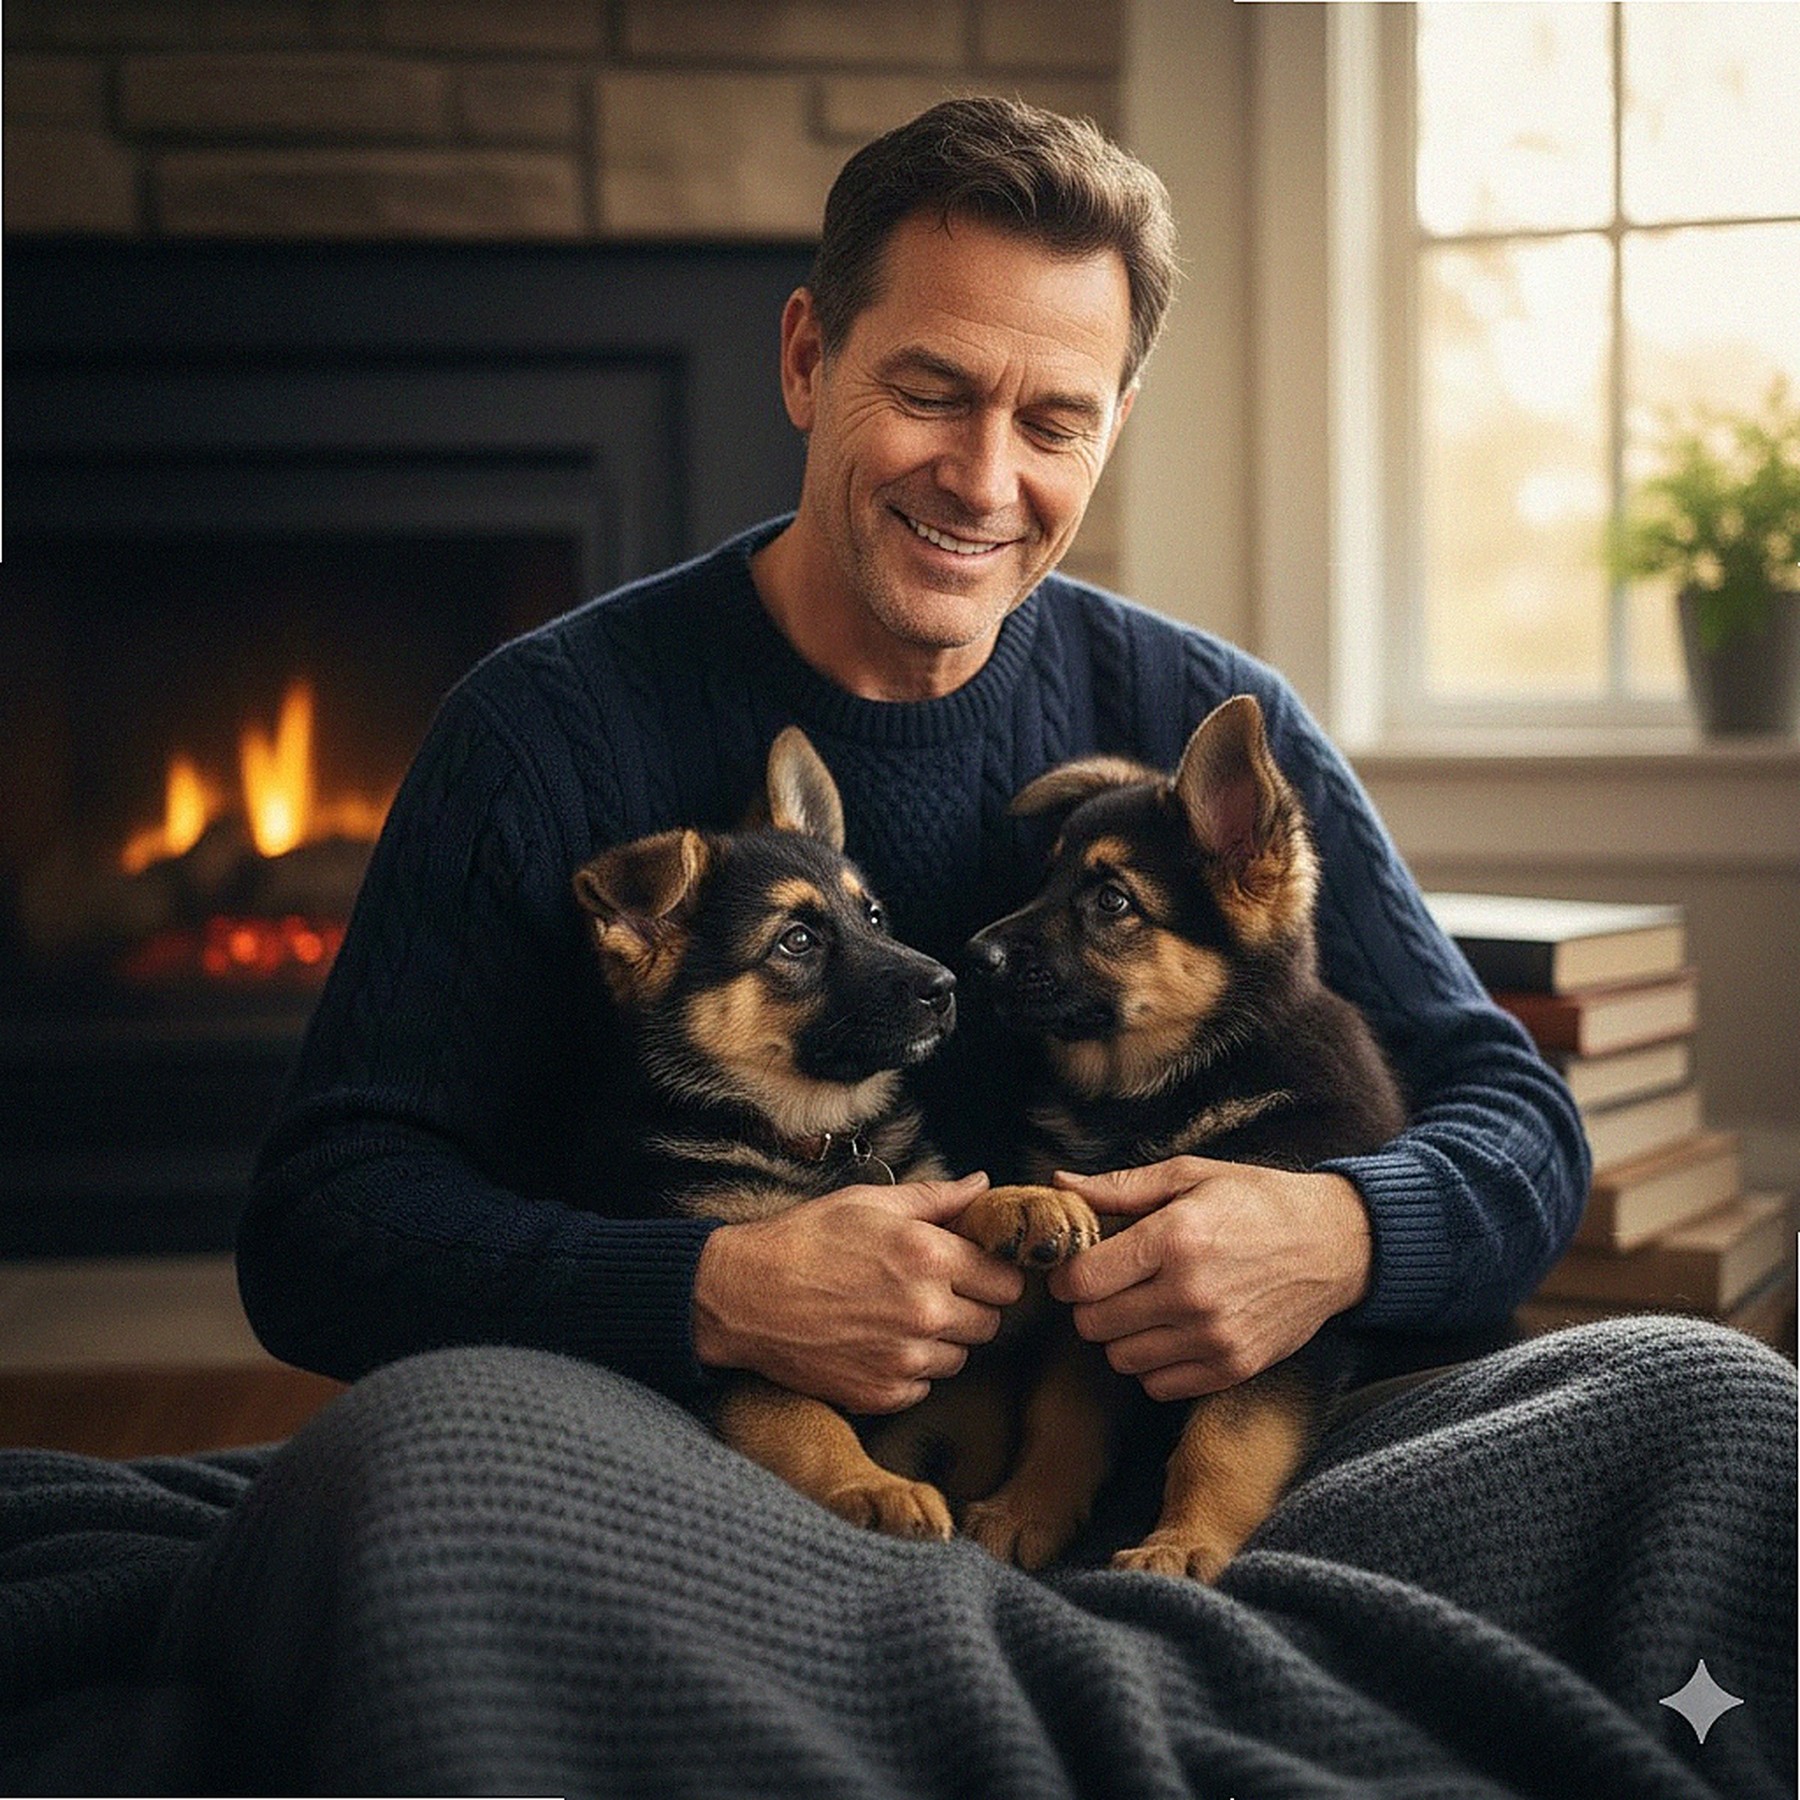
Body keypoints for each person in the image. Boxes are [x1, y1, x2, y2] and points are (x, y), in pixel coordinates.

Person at [239, 96, 1588, 1439]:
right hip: (708, 1460)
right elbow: (320, 1229)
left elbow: (1519, 1115)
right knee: (406, 1469)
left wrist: (1341, 1234)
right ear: (806, 360)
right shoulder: (541, 732)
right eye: (932, 394)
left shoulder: (1204, 728)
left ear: (1115, 424)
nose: (984, 481)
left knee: (1682, 1396)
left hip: (1146, 1469)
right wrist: (711, 1293)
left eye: (1054, 423)